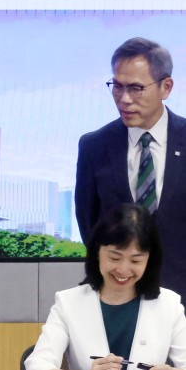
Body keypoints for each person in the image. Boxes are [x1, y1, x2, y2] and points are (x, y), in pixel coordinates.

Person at [24, 203, 186, 370]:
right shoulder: (68, 302)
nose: (123, 269)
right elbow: (36, 369)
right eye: (114, 258)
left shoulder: (169, 304)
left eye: (136, 261)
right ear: (97, 253)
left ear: (149, 260)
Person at [75, 37, 186, 297]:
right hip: (118, 296)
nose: (124, 99)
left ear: (166, 87)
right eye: (117, 86)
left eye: (136, 88)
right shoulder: (94, 146)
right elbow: (89, 226)